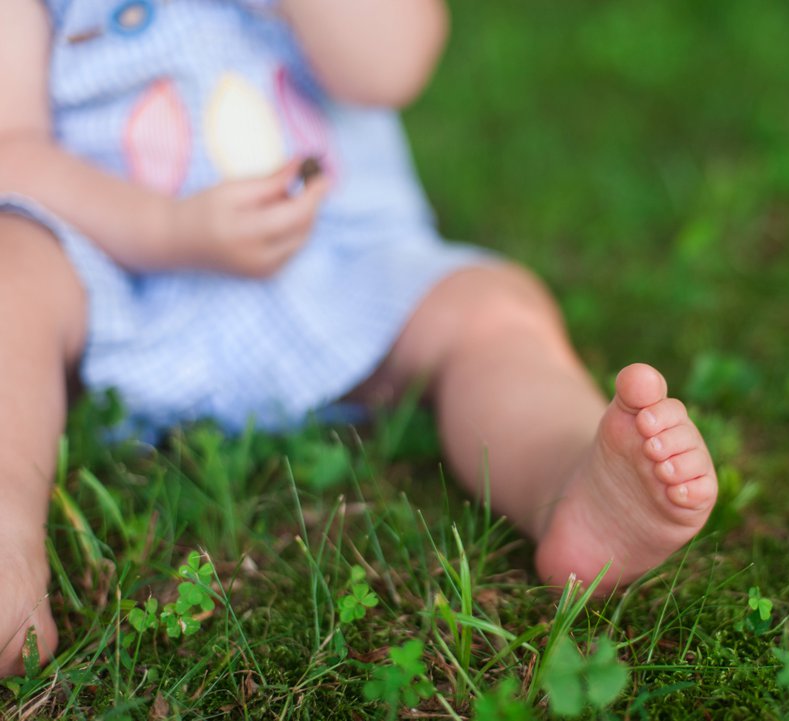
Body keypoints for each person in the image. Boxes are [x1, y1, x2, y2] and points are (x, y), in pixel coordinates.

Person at [0, 0, 718, 676]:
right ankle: (6, 535)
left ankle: (570, 479)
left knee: (490, 310)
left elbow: (390, 66)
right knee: (11, 271)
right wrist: (166, 231)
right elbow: (11, 149)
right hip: (113, 280)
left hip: (344, 270)